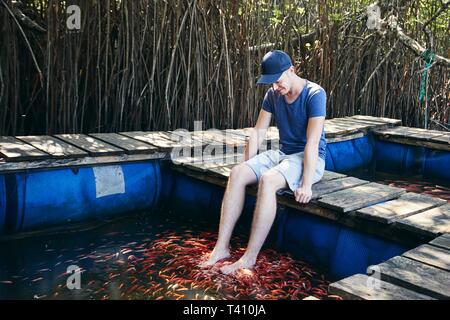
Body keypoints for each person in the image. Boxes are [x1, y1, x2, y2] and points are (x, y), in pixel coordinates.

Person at [200, 50, 327, 274]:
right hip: (283, 153)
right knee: (237, 173)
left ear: (291, 70)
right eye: (272, 83)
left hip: (310, 159)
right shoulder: (273, 95)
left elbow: (313, 143)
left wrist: (306, 184)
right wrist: (246, 168)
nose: (276, 87)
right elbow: (258, 132)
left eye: (278, 81)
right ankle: (221, 249)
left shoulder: (315, 94)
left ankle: (249, 258)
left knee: (268, 180)